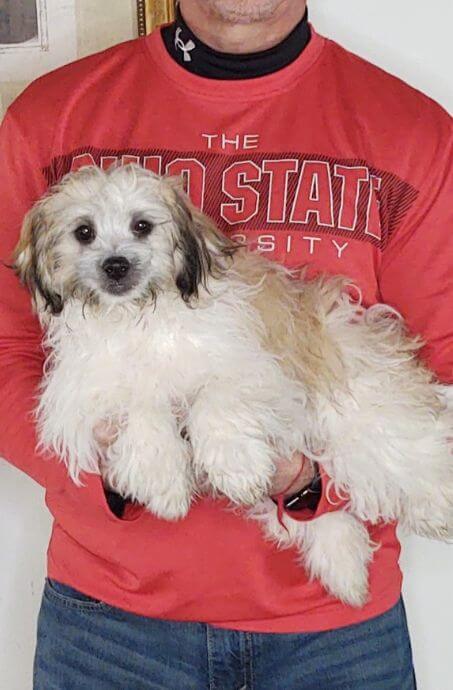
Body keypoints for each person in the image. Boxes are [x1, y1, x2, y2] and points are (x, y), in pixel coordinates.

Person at [0, 1, 451, 687]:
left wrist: (313, 489)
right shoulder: (50, 115)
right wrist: (117, 469)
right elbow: (6, 347)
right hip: (106, 629)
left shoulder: (411, 131)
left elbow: (437, 366)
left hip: (334, 638)